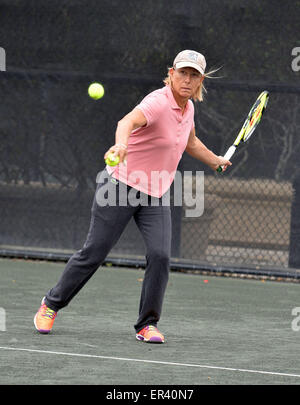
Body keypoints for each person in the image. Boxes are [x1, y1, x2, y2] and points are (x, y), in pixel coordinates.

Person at [34, 50, 231, 343]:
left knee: (161, 256)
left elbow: (189, 142)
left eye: (194, 75)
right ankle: (51, 304)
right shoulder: (157, 102)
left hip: (156, 194)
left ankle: (146, 324)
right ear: (171, 73)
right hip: (120, 187)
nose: (187, 80)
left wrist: (214, 159)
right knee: (94, 253)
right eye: (182, 73)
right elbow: (125, 122)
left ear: (201, 80)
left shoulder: (188, 110)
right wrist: (120, 146)